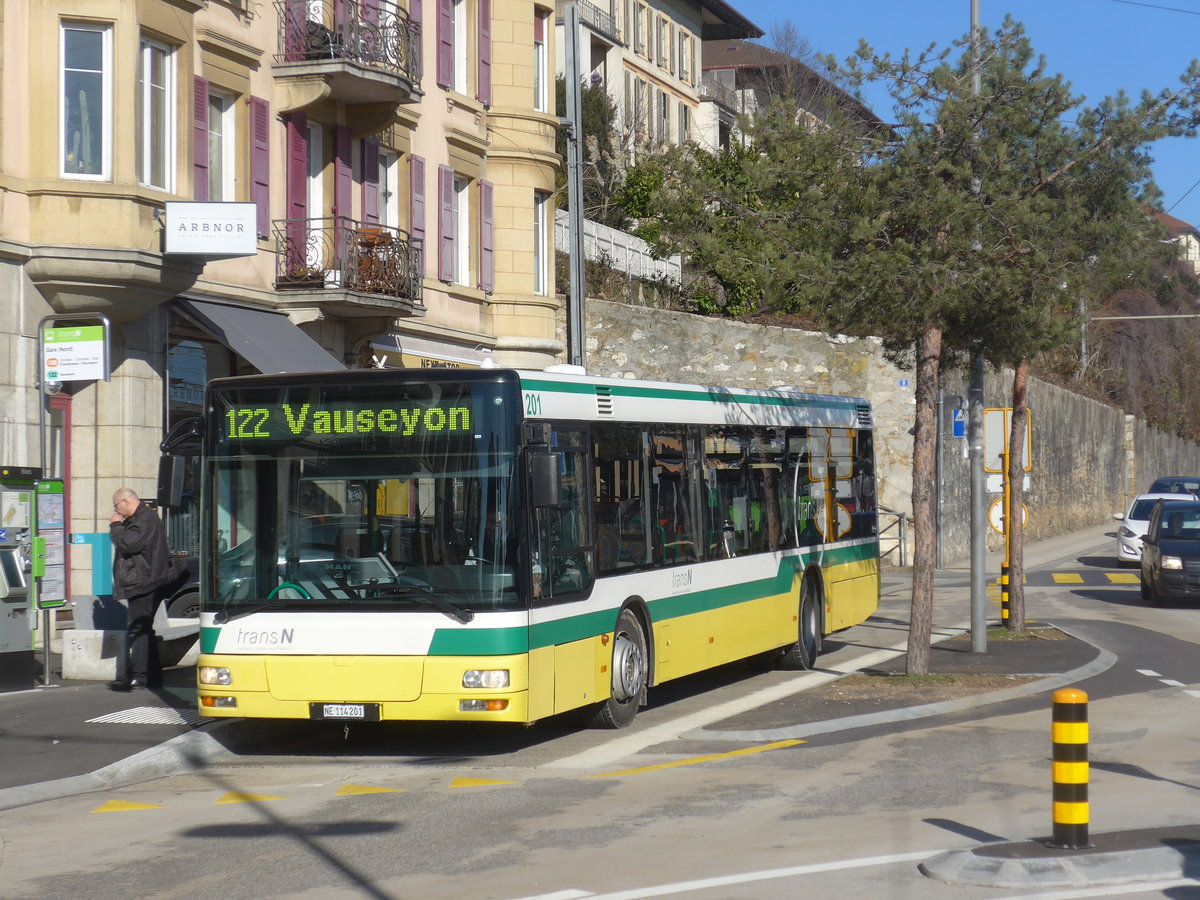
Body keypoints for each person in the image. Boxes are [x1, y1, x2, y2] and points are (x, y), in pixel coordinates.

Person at [108, 487, 171, 691]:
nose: (116, 511)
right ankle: (152, 675)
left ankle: (139, 676)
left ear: (126, 502)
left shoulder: (143, 519)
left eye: (116, 506)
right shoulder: (145, 517)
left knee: (138, 628)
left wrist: (116, 525)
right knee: (144, 628)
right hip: (149, 579)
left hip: (143, 582)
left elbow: (128, 544)